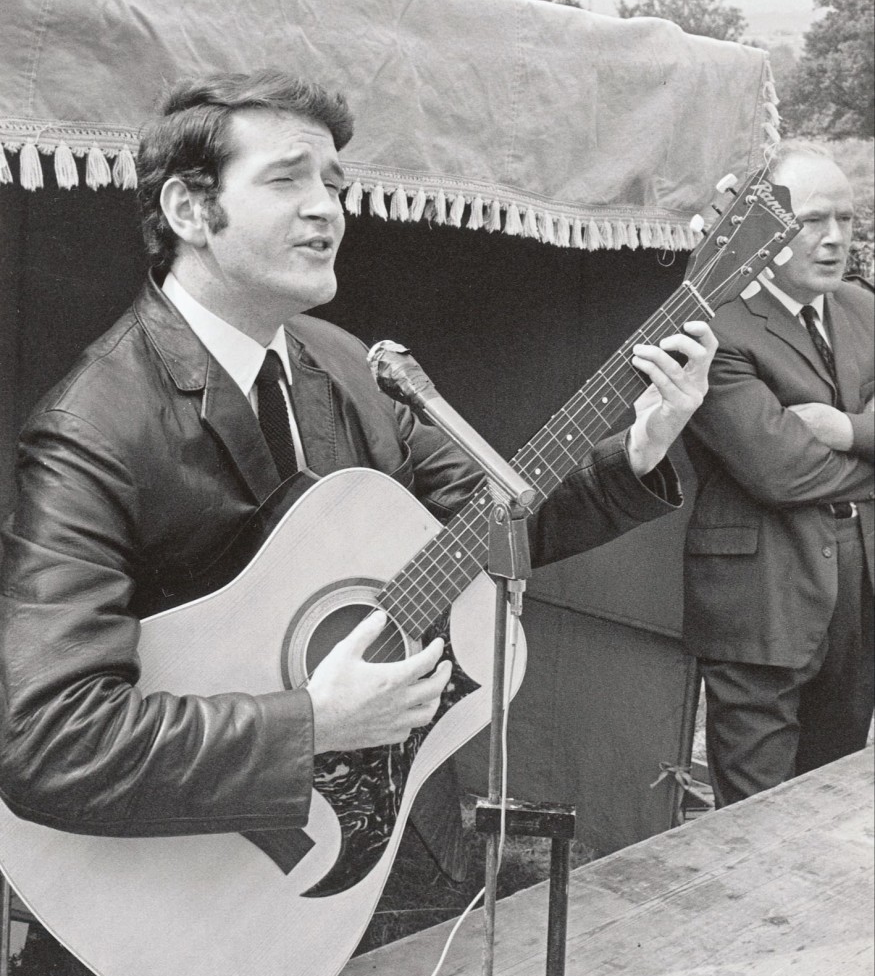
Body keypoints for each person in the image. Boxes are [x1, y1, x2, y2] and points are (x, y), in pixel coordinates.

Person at [0, 68, 716, 856]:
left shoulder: (345, 363)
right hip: (187, 872)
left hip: (382, 840)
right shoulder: (92, 428)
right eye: (286, 180)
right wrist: (311, 723)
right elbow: (49, 740)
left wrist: (640, 445)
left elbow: (489, 522)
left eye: (334, 185)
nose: (326, 209)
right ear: (188, 209)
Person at [683, 140, 874, 809]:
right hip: (758, 603)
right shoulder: (713, 324)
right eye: (811, 220)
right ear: (763, 226)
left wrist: (844, 429)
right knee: (751, 818)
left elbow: (811, 454)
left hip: (857, 597)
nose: (834, 238)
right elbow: (779, 470)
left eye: (845, 219)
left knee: (830, 802)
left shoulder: (863, 309)